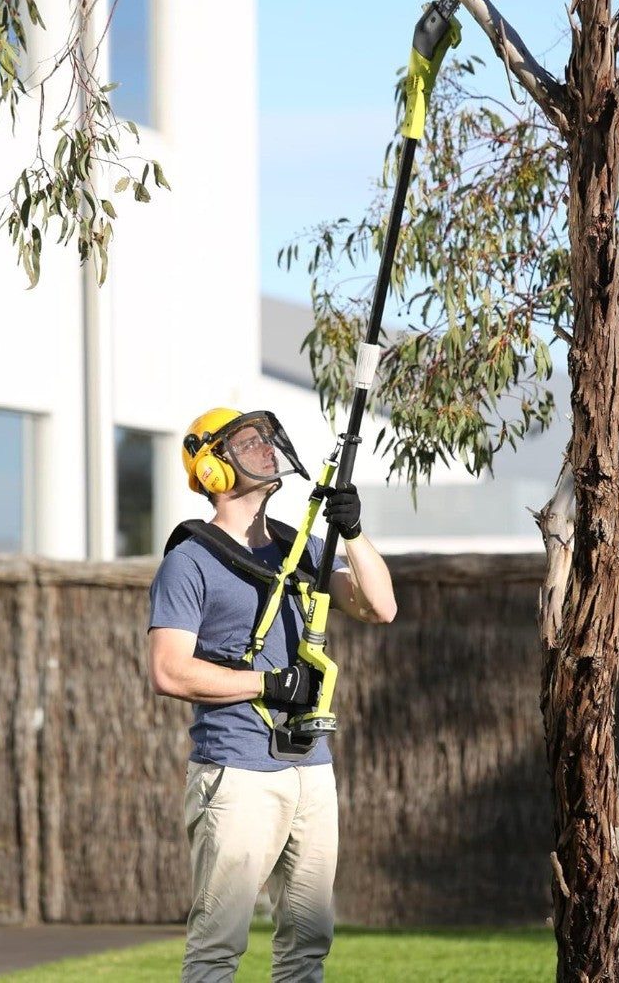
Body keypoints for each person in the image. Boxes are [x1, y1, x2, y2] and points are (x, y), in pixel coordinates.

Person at [148, 407, 397, 983]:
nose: (266, 448)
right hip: (236, 772)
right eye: (248, 442)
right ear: (213, 470)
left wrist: (354, 533)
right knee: (218, 947)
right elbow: (168, 671)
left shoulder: (299, 549)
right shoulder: (190, 563)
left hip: (311, 767)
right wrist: (268, 683)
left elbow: (381, 606)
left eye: (266, 438)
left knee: (308, 945)